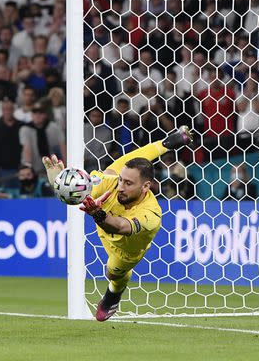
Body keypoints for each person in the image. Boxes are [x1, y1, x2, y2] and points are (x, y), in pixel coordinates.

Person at [42, 126, 194, 321]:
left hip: (125, 250)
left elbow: (122, 227)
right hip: (103, 214)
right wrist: (60, 184)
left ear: (146, 187)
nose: (121, 187)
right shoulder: (113, 183)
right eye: (122, 180)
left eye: (128, 184)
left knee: (113, 273)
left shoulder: (151, 214)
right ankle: (169, 142)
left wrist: (97, 213)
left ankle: (114, 292)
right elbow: (80, 193)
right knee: (113, 170)